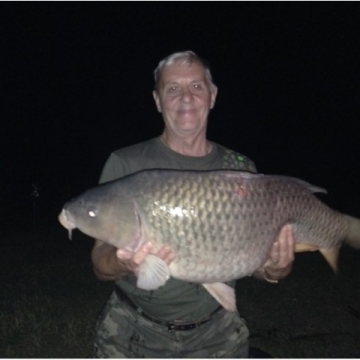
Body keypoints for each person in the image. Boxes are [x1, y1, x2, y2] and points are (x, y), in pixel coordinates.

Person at [91, 50, 295, 358]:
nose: (186, 97)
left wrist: (275, 269)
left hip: (217, 333)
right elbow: (99, 261)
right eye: (173, 89)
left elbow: (253, 260)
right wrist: (123, 262)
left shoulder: (239, 168)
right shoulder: (125, 164)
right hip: (134, 332)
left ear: (212, 96)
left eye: (196, 86)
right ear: (158, 100)